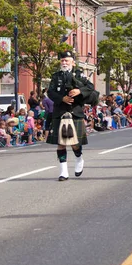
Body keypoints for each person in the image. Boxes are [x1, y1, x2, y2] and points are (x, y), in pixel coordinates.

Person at [47, 50, 96, 181]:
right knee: (61, 143)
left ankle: (79, 158)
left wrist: (79, 90)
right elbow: (50, 92)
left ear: (72, 63)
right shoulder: (56, 76)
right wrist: (61, 98)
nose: (64, 62)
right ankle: (63, 172)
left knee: (74, 143)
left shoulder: (80, 75)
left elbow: (90, 87)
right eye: (62, 60)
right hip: (60, 111)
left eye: (66, 60)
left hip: (75, 111)